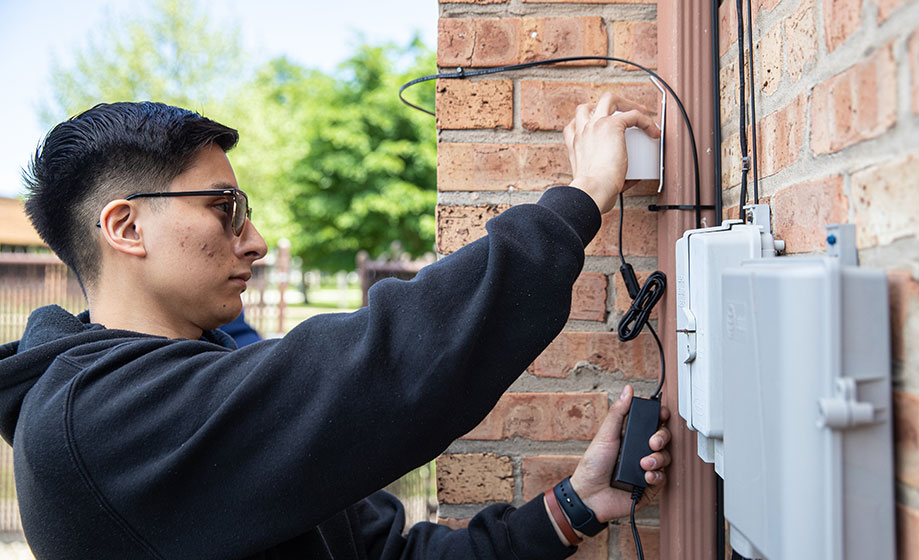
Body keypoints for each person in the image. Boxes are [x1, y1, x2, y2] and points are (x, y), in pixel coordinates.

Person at [0, 97, 668, 560]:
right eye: (224, 208)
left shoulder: (197, 386)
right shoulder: (93, 422)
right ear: (124, 227)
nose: (254, 241)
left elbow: (381, 554)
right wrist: (580, 197)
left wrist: (572, 507)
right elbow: (383, 366)